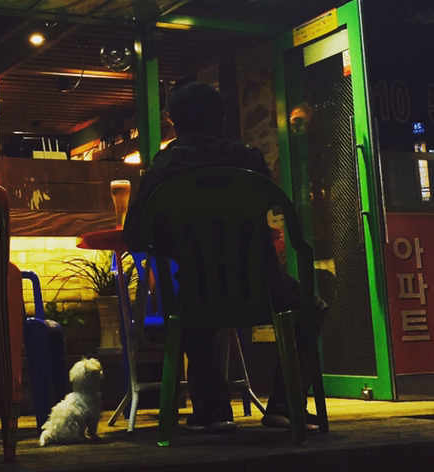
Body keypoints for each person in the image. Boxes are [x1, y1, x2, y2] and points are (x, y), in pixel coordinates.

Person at [123, 81, 325, 434]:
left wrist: (178, 244)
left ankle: (212, 409)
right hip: (263, 289)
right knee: (313, 305)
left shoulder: (162, 168)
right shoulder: (249, 160)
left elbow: (136, 237)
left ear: (173, 123)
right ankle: (286, 404)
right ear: (222, 120)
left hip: (198, 292)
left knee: (191, 308)